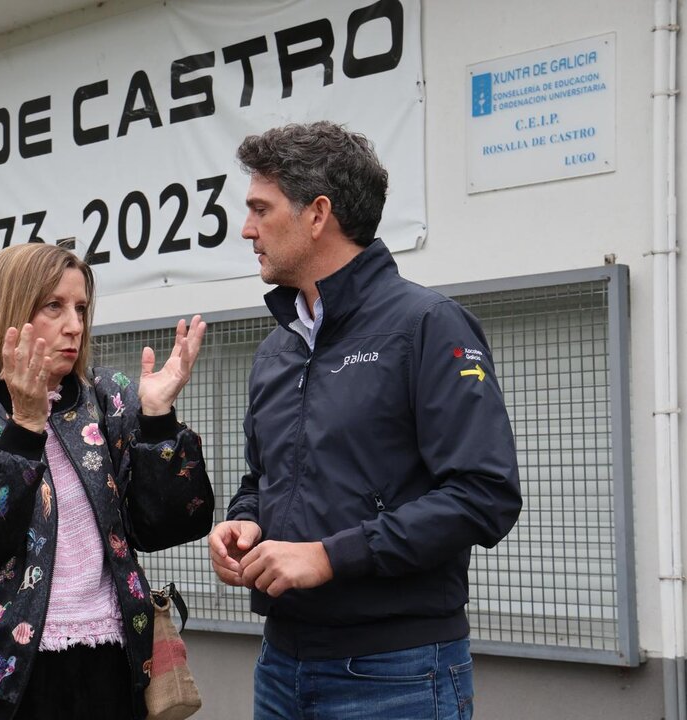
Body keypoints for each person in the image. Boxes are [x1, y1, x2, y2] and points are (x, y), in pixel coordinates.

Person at [208, 121, 522, 720]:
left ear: (317, 213)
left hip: (398, 672)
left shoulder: (429, 325)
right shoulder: (278, 348)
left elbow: (485, 496)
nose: (246, 229)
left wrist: (330, 555)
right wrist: (244, 524)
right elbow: (264, 480)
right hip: (280, 666)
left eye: (259, 209)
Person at [0, 242, 214, 720]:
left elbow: (172, 525)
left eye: (81, 307)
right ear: (8, 312)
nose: (75, 324)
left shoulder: (105, 398)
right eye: (54, 306)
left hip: (108, 666)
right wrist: (24, 427)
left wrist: (157, 421)